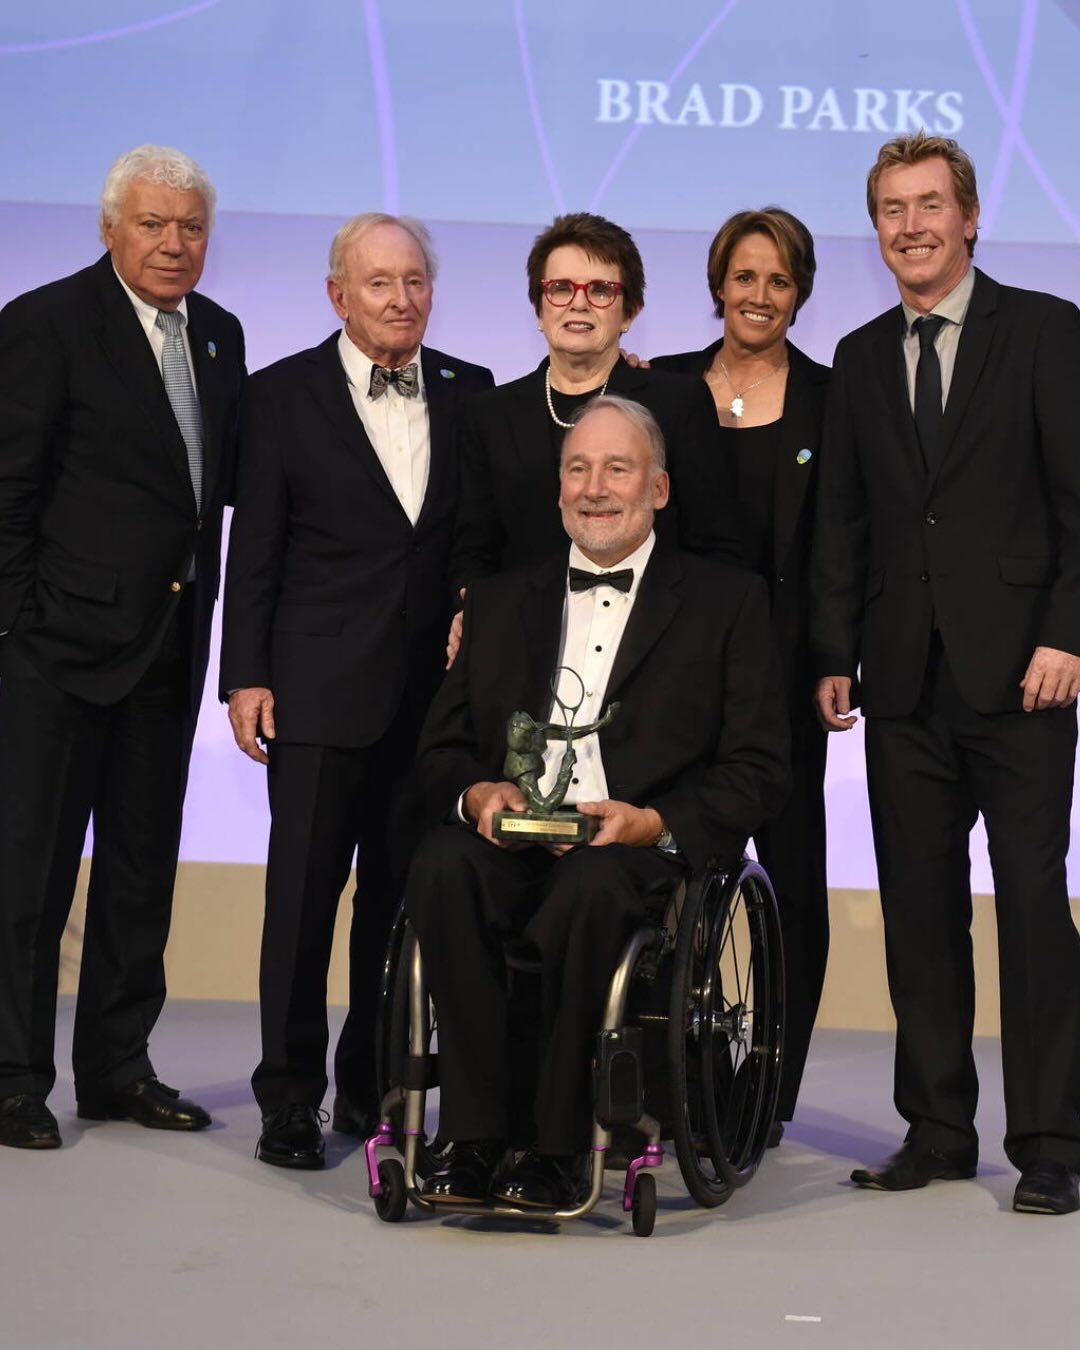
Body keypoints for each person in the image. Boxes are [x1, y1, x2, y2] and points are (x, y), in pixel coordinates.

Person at [408, 395, 789, 1209]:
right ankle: (472, 1137)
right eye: (577, 469)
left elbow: (760, 769)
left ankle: (553, 1147)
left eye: (618, 468)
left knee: (588, 888)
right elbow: (438, 752)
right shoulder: (500, 601)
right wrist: (477, 794)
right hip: (511, 842)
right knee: (442, 865)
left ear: (659, 489)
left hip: (634, 855)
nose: (594, 488)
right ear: (557, 491)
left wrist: (652, 822)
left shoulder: (728, 603)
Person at [812, 131, 1080, 1215]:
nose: (911, 227)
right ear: (876, 228)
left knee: (1033, 911)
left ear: (970, 218)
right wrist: (834, 652)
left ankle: (1053, 1142)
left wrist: (1068, 635)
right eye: (893, 209)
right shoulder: (860, 356)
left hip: (1025, 676)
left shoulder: (1047, 331)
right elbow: (844, 522)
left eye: (930, 206)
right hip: (902, 682)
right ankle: (936, 1128)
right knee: (920, 913)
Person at [220, 213, 493, 1169]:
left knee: (398, 902)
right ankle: (288, 1100)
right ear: (339, 295)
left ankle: (371, 1084)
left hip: (431, 702)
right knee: (300, 904)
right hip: (316, 692)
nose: (401, 299)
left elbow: (475, 537)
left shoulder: (470, 389)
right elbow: (255, 548)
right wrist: (246, 674)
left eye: (415, 281)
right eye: (380, 282)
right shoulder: (279, 394)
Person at [0, 144, 246, 1149]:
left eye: (190, 226)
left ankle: (115, 1068)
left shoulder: (220, 335)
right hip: (53, 653)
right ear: (110, 229)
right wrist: (18, 624)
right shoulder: (45, 324)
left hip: (169, 645)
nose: (173, 243)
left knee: (141, 870)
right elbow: (8, 490)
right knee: (30, 876)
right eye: (153, 224)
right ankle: (13, 1078)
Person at [651, 208, 829, 1144]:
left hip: (787, 679)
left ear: (800, 293)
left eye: (779, 280)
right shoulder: (663, 386)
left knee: (793, 884)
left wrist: (837, 658)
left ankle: (767, 1093)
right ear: (719, 283)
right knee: (670, 875)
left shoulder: (832, 398)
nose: (760, 296)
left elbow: (845, 543)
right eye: (745, 276)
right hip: (677, 678)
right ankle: (667, 1076)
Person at [449, 212, 740, 592]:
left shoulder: (678, 404)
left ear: (629, 312)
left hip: (656, 624)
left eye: (601, 290)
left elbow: (715, 547)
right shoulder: (489, 413)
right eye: (560, 288)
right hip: (522, 626)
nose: (579, 303)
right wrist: (472, 610)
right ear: (539, 309)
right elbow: (473, 552)